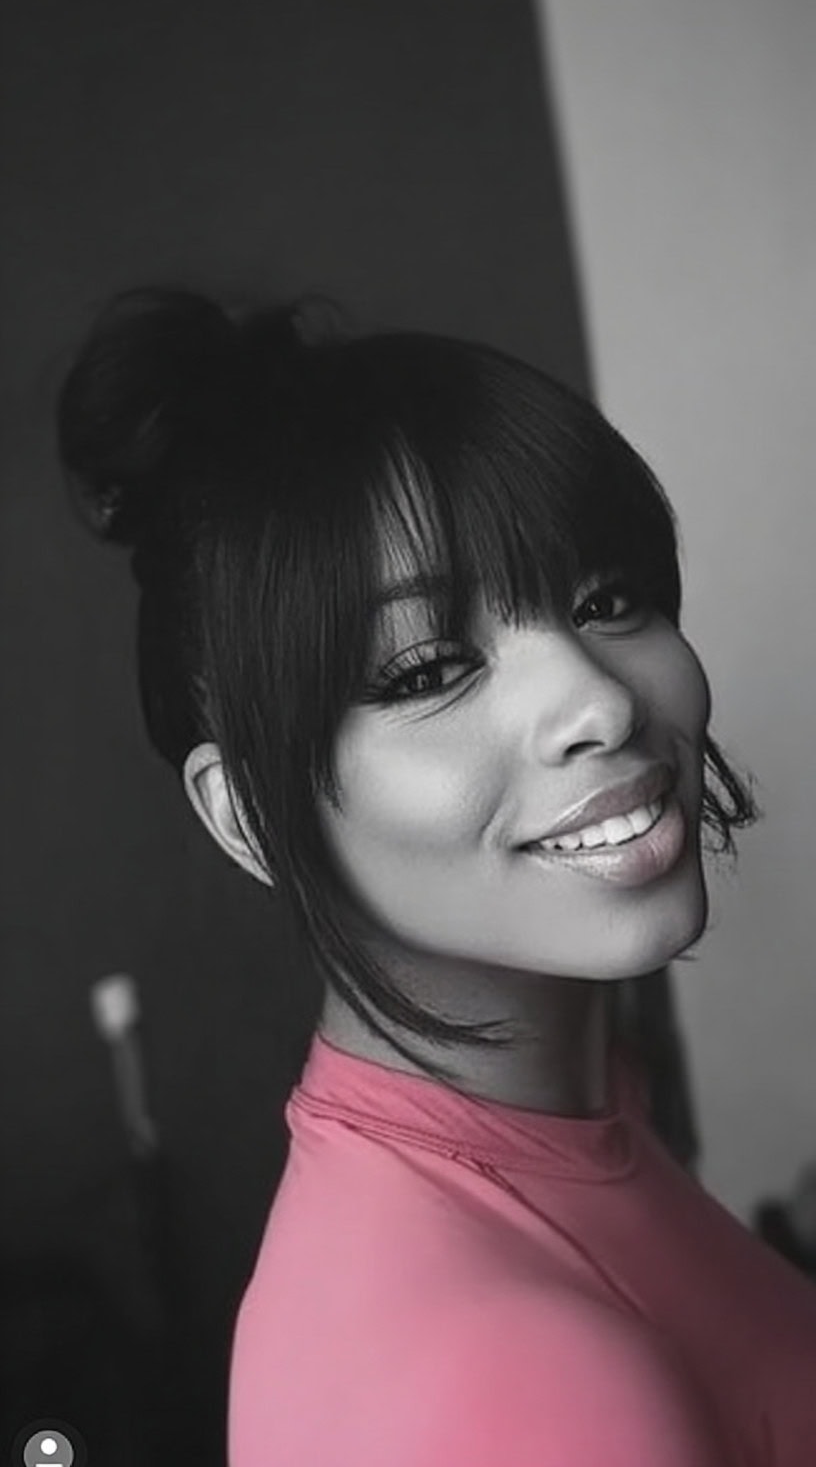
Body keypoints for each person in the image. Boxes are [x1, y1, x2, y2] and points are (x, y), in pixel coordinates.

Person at [57, 288, 816, 1466]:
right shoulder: (501, 1376)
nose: (600, 700)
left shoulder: (559, 1118)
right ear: (250, 811)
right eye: (427, 668)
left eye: (606, 599)